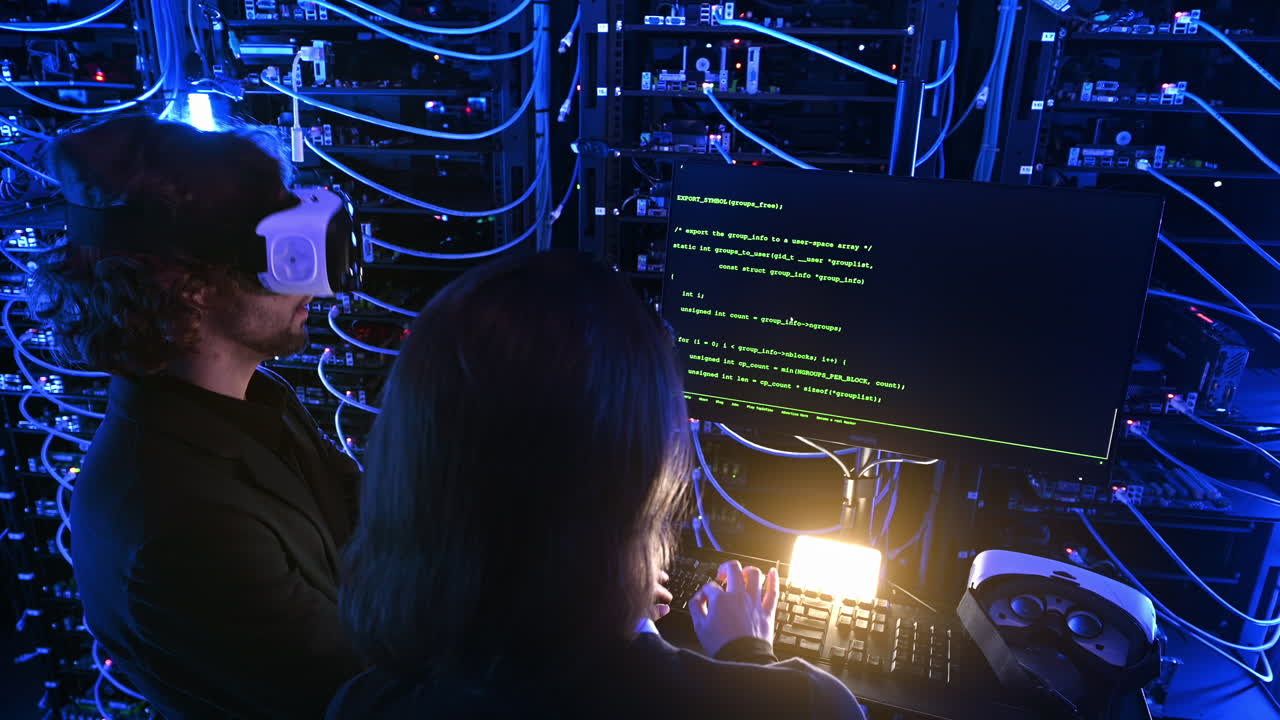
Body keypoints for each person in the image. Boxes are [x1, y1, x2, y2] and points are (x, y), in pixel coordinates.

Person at [326, 251, 865, 719]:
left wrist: (611, 590)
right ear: (645, 477)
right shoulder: (809, 708)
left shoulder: (362, 706)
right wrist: (748, 653)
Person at [28, 115, 363, 719]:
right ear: (191, 286)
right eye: (288, 254)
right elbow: (361, 696)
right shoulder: (176, 523)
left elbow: (369, 516)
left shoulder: (253, 406)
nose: (317, 284)